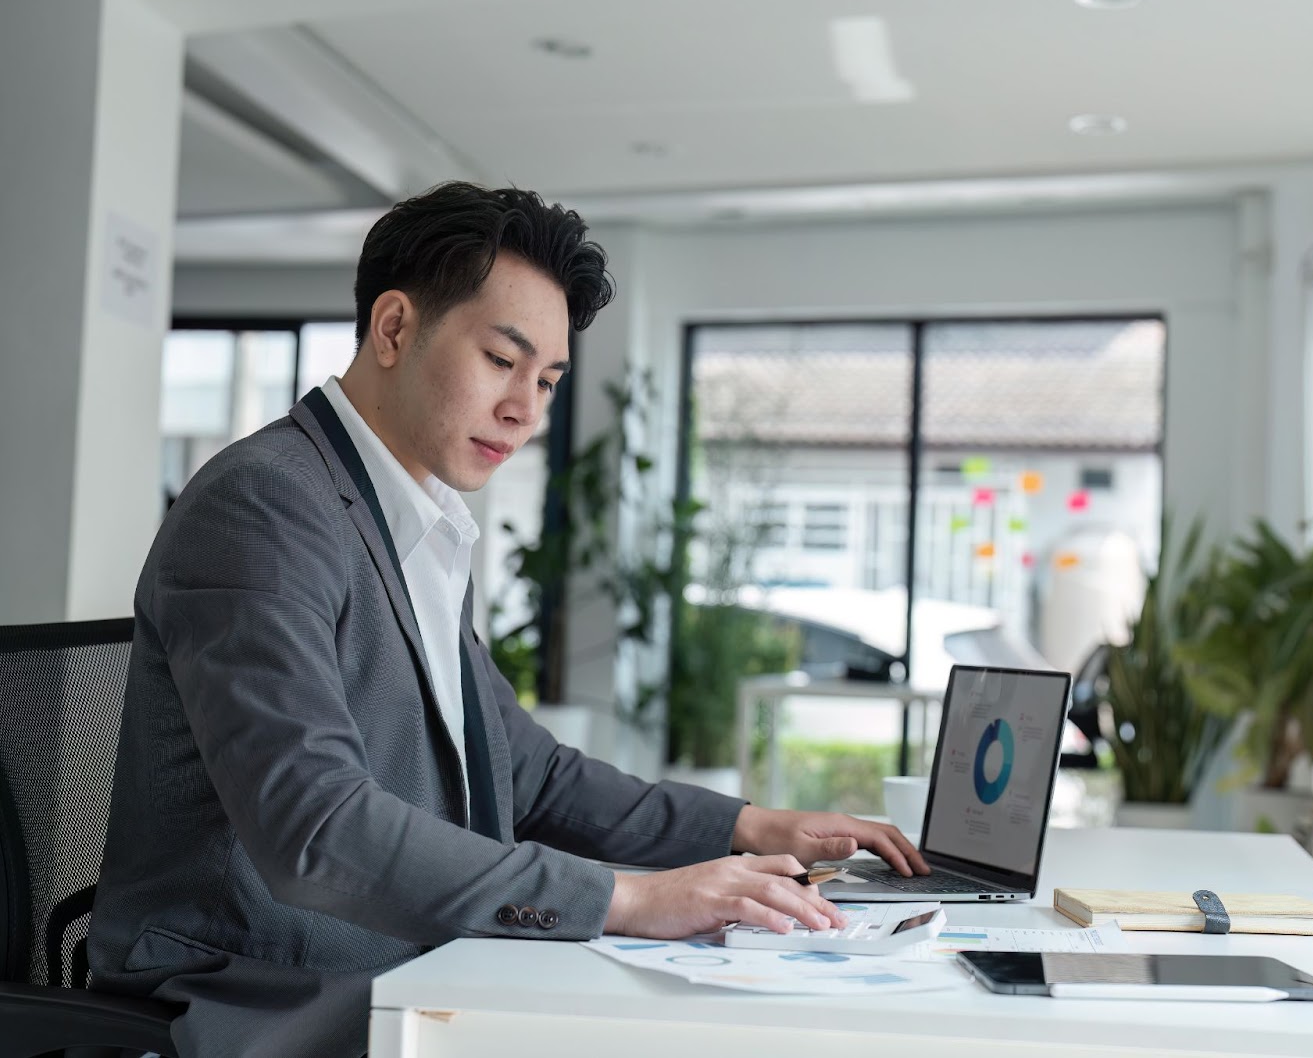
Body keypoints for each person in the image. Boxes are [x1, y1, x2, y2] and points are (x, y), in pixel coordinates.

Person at [87, 182, 927, 1058]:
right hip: (266, 997)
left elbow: (527, 774)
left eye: (549, 380)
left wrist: (751, 828)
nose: (527, 408)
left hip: (409, 968)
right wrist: (629, 901)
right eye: (501, 359)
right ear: (395, 328)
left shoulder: (409, 517)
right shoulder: (265, 505)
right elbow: (316, 829)